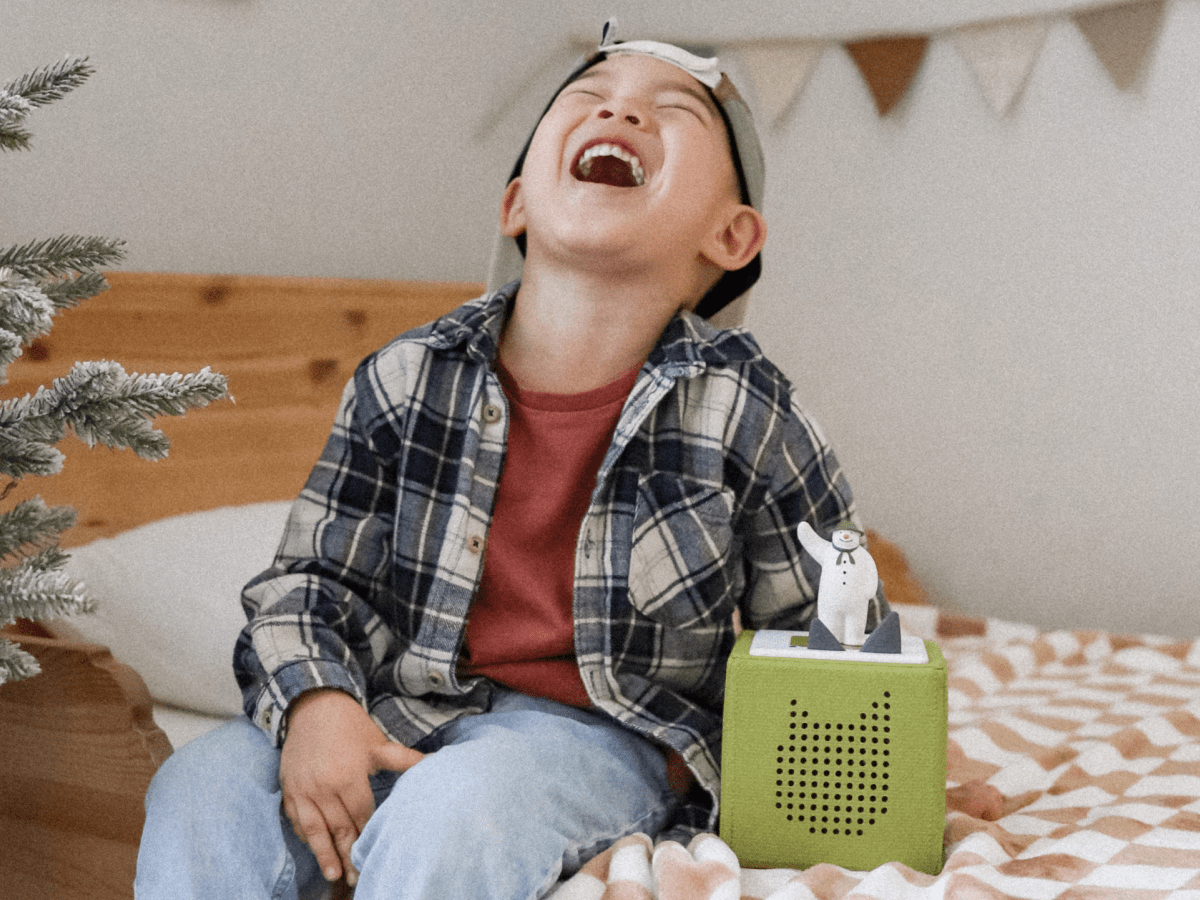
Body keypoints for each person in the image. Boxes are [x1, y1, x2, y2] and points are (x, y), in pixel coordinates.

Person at [135, 20, 887, 900]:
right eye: (589, 98)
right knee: (199, 784)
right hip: (394, 705)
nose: (622, 112)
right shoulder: (406, 379)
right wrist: (316, 705)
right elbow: (311, 580)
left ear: (732, 236)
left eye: (673, 109)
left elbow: (833, 630)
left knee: (457, 812)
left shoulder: (747, 408)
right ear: (517, 204)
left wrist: (896, 782)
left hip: (592, 737)